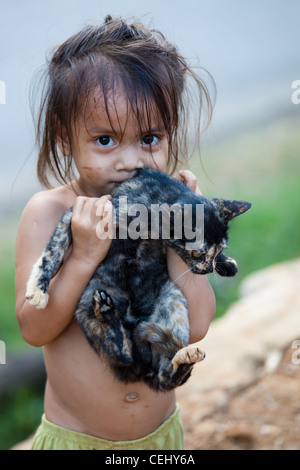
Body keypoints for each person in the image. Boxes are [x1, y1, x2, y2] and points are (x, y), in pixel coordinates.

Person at [15, 15, 216, 450]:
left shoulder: (164, 209)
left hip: (162, 439)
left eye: (149, 138)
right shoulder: (48, 212)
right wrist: (83, 257)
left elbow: (196, 325)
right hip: (76, 440)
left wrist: (185, 233)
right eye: (105, 140)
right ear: (65, 139)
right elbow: (33, 329)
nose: (131, 162)